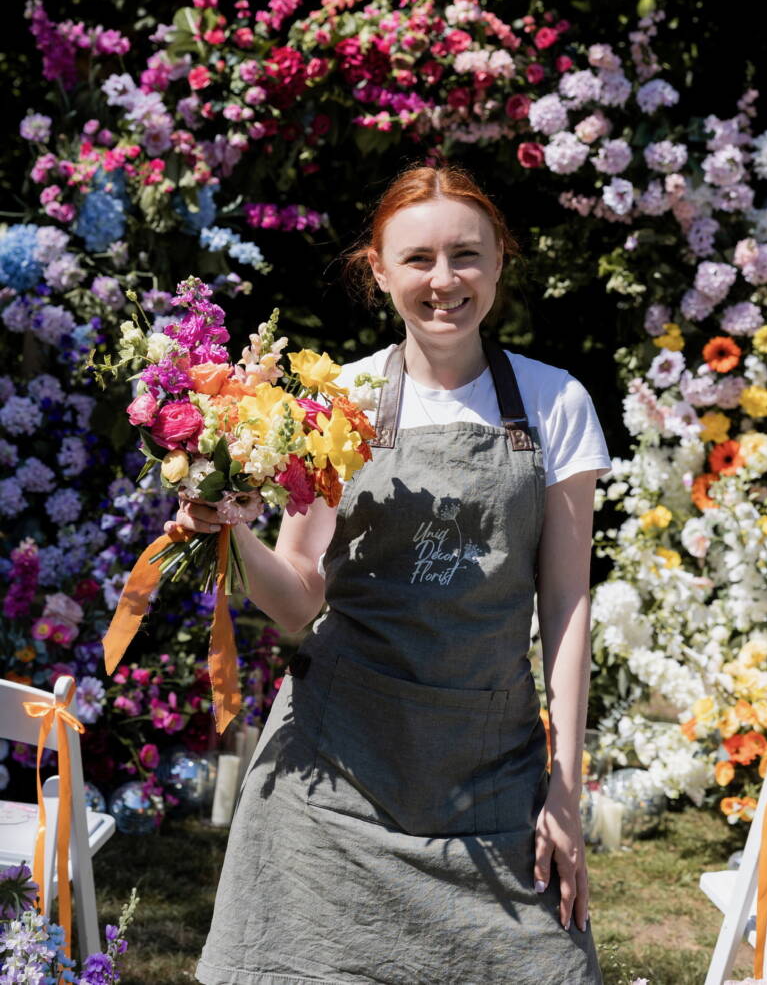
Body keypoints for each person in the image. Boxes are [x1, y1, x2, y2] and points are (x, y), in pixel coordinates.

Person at [184, 164, 611, 985]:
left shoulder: (556, 405)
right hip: (332, 776)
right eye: (418, 258)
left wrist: (565, 786)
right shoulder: (336, 402)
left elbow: (566, 603)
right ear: (377, 269)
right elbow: (300, 598)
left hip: (489, 776)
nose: (444, 280)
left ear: (499, 263)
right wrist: (228, 538)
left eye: (466, 255)